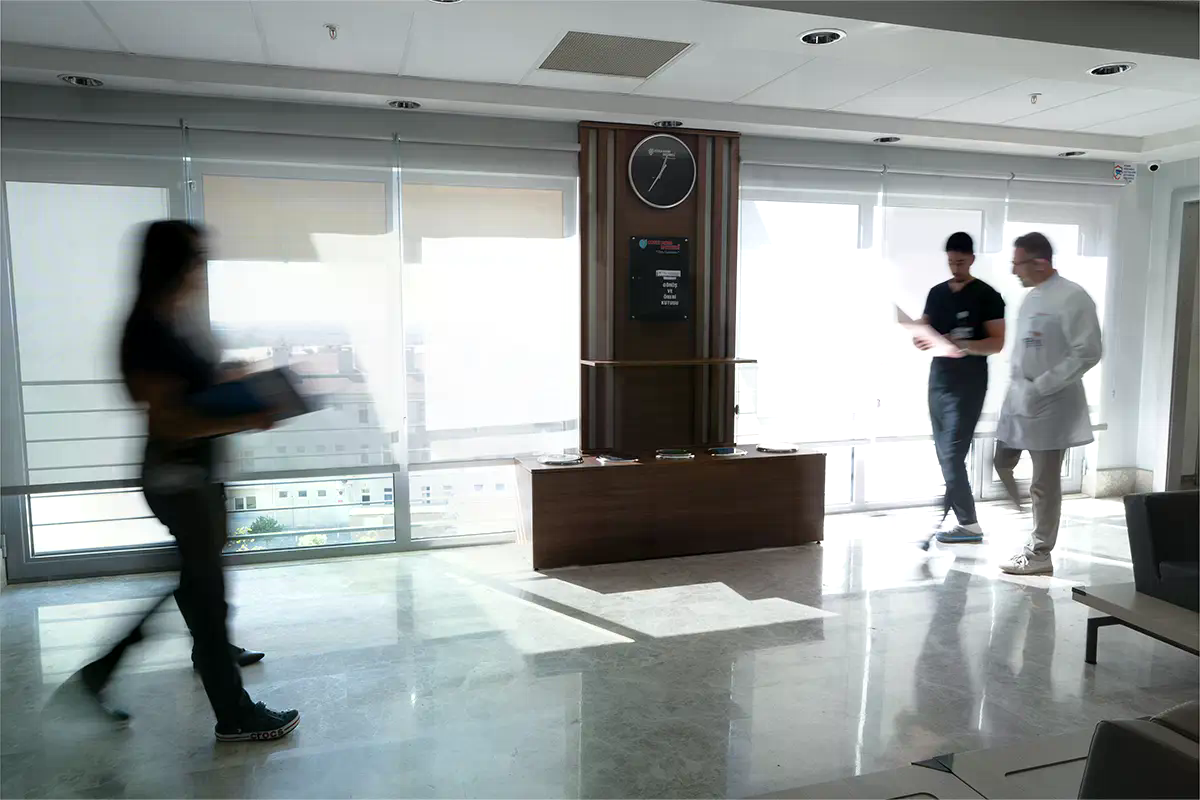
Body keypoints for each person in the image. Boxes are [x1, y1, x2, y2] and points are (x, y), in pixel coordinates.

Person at [75, 220, 299, 741]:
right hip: (178, 479)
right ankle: (234, 714)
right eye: (197, 257)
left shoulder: (170, 321)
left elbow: (193, 391)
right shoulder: (148, 331)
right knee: (204, 593)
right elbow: (171, 421)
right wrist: (247, 416)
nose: (203, 267)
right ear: (175, 264)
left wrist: (233, 379)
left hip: (193, 475)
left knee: (197, 587)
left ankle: (114, 672)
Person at [995, 232, 1101, 575]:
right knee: (1001, 461)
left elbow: (1088, 352)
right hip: (1021, 400)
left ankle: (1040, 551)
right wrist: (1017, 392)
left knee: (1044, 482)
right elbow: (1024, 351)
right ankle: (1025, 520)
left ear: (1040, 263)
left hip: (1052, 404)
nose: (1014, 271)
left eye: (1018, 263)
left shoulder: (1073, 297)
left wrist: (1042, 386)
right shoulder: (1031, 298)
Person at [915, 232, 1005, 546]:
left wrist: (964, 345)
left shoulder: (987, 296)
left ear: (972, 259)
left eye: (961, 262)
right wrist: (920, 337)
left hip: (969, 383)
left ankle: (962, 523)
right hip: (939, 381)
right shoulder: (937, 293)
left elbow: (997, 343)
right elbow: (925, 328)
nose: (956, 267)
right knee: (945, 454)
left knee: (953, 454)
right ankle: (965, 522)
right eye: (951, 262)